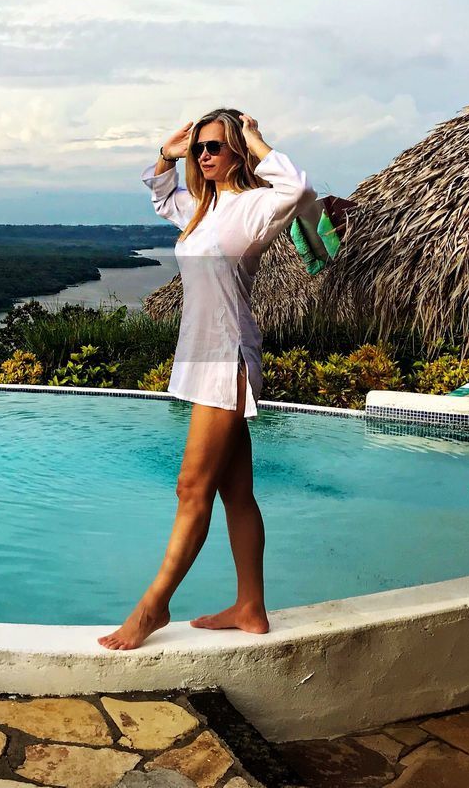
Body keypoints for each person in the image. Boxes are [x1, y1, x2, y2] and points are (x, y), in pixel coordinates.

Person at [97, 108, 316, 651]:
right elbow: (160, 193)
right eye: (200, 149)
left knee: (191, 488)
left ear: (238, 149)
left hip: (228, 358)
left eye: (216, 146)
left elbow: (297, 186)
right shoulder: (204, 207)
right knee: (235, 491)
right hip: (198, 358)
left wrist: (258, 139)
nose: (206, 156)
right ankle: (251, 607)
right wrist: (168, 151)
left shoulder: (255, 206)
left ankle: (154, 606)